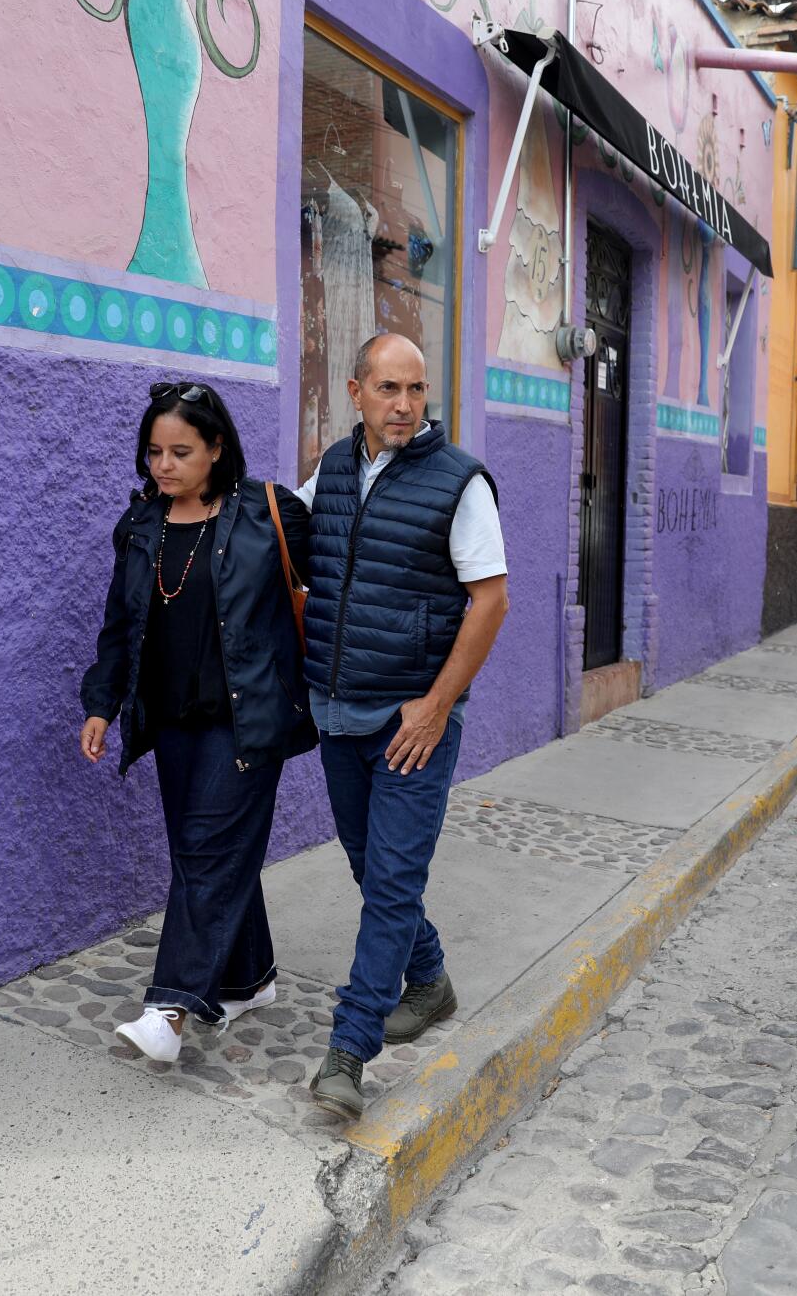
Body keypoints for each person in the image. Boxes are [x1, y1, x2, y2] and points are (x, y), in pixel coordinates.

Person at [292, 333, 510, 1117]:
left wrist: (437, 702)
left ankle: (347, 1052)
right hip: (338, 710)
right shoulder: (334, 471)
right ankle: (431, 979)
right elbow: (299, 562)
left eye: (416, 390)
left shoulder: (459, 483)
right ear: (356, 391)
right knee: (367, 865)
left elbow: (490, 601)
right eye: (389, 389)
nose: (404, 406)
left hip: (414, 720)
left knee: (390, 881)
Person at [80, 382, 315, 1063]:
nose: (164, 464)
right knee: (201, 850)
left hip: (247, 722)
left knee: (208, 851)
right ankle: (249, 976)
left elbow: (330, 590)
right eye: (154, 451)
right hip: (173, 722)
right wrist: (103, 703)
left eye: (181, 450)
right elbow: (120, 627)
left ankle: (169, 1008)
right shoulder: (141, 526)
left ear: (217, 447)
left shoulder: (267, 514)